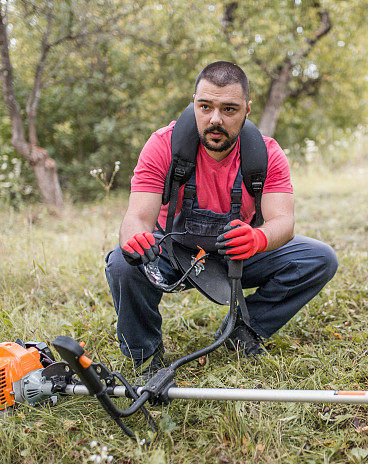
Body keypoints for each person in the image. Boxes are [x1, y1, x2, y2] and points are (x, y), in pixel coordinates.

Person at [105, 61, 338, 373]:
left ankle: (242, 334)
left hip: (238, 252)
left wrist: (259, 238)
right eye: (205, 107)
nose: (215, 119)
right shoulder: (163, 145)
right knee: (122, 262)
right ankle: (144, 356)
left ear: (247, 109)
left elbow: (284, 221)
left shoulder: (266, 154)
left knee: (320, 258)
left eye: (229, 109)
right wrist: (135, 239)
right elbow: (136, 217)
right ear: (194, 104)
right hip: (172, 251)